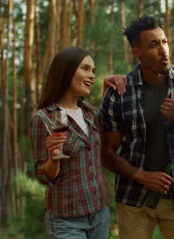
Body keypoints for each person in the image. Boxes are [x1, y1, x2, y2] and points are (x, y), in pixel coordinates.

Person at [99, 16, 174, 239]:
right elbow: (107, 154)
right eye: (154, 45)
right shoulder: (119, 92)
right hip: (133, 200)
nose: (163, 50)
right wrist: (142, 176)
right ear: (137, 52)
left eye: (164, 41)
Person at [29, 46, 126, 239]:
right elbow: (43, 176)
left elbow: (109, 123)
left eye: (93, 71)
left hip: (100, 212)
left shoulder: (89, 111)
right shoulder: (44, 118)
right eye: (85, 68)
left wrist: (107, 89)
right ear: (66, 71)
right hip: (66, 220)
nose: (91, 75)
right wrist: (53, 158)